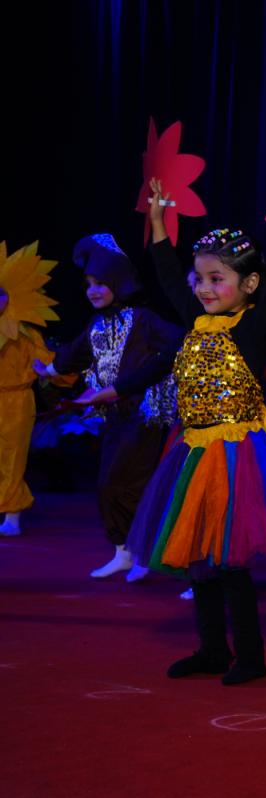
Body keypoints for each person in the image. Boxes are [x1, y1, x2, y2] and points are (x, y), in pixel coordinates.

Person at [125, 177, 266, 686]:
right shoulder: (196, 320)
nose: (203, 289)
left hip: (235, 453)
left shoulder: (254, 327)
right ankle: (212, 649)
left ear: (249, 284)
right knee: (199, 558)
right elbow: (169, 276)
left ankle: (251, 658)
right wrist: (157, 224)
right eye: (200, 279)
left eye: (217, 279)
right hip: (192, 450)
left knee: (230, 561)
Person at [34, 234, 181, 581]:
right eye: (88, 284)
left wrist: (152, 374)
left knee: (131, 483)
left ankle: (143, 551)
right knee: (107, 485)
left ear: (119, 281)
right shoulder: (97, 325)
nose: (93, 291)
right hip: (115, 416)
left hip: (145, 415)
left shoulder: (143, 319)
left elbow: (180, 342)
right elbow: (73, 354)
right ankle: (123, 551)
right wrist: (48, 370)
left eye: (100, 283)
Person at [0, 243, 59, 537]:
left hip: (17, 401)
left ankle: (12, 516)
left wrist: (52, 370)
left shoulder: (25, 333)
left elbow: (47, 363)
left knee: (13, 458)